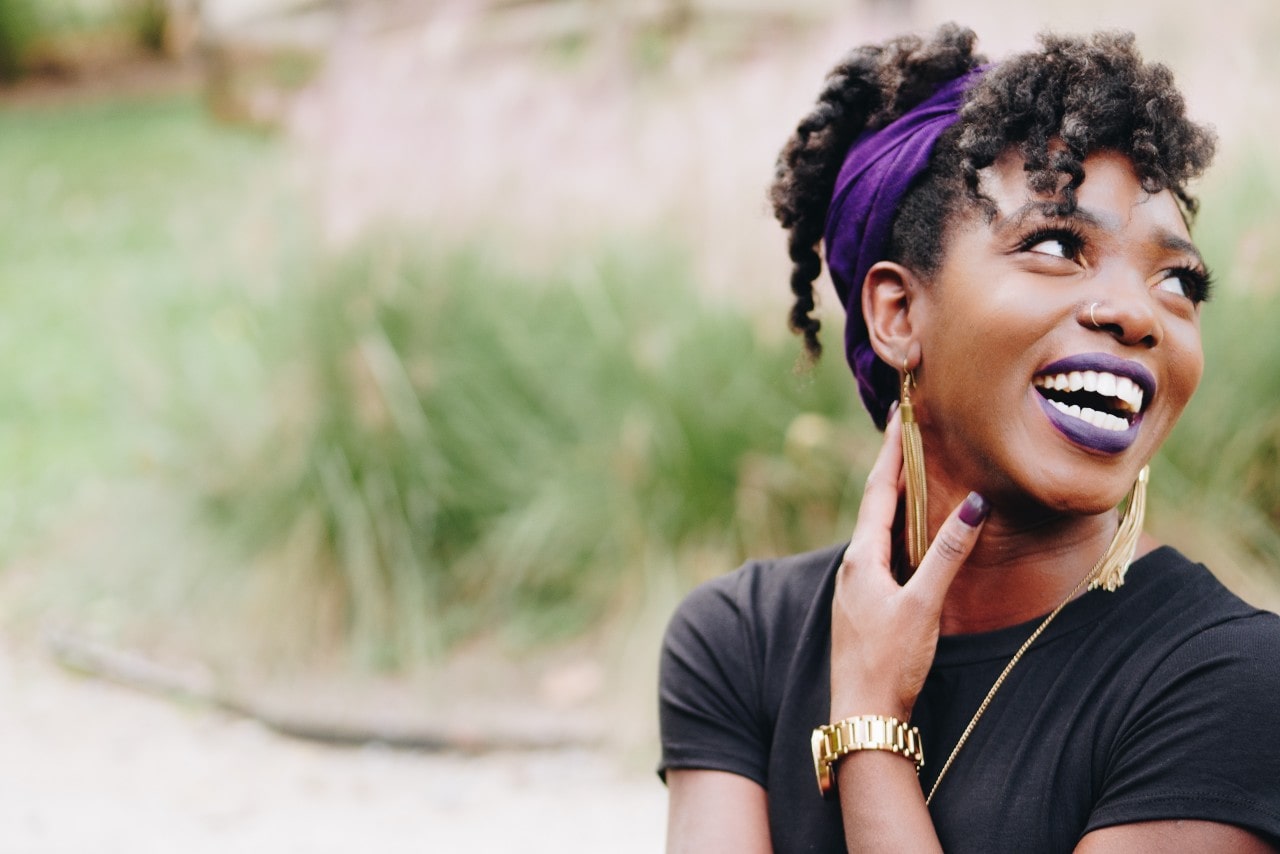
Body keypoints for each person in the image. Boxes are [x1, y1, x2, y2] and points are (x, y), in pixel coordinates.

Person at [658, 23, 1280, 853]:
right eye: (1057, 244)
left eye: (1177, 279)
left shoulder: (1229, 682)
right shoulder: (741, 640)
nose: (1138, 312)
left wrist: (871, 735)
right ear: (899, 313)